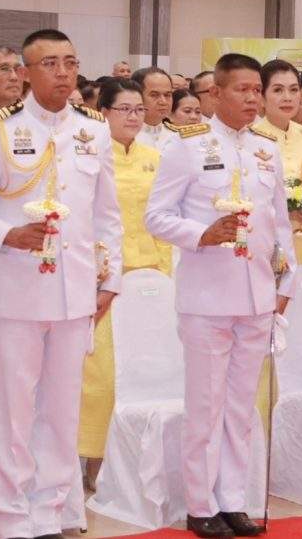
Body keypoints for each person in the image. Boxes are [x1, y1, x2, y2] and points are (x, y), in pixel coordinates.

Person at [0, 29, 123, 537]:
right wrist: (7, 235)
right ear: (25, 74)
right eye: (50, 63)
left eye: (70, 62)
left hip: (76, 293)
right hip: (18, 291)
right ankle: (10, 519)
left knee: (62, 410)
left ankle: (48, 514)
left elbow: (107, 214)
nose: (64, 73)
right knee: (13, 410)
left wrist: (110, 276)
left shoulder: (94, 129)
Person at [145, 52, 295, 539]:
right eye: (243, 90)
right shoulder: (186, 146)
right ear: (217, 94)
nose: (253, 98)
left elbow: (278, 222)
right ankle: (200, 502)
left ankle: (233, 498)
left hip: (255, 293)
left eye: (258, 90)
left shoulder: (267, 148)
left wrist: (285, 280)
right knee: (206, 404)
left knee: (240, 405)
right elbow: (157, 216)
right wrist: (201, 233)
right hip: (207, 295)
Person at [79, 78, 171, 490]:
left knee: (147, 370)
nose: (134, 116)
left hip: (149, 275)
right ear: (104, 113)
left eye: (139, 109)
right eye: (124, 109)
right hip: (104, 278)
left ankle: (138, 460)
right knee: (102, 374)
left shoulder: (156, 156)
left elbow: (164, 221)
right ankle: (95, 459)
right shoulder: (90, 157)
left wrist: (164, 274)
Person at [254, 59, 302, 270]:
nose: (287, 97)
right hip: (267, 246)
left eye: (294, 90)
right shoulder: (251, 139)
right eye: (278, 90)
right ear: (261, 97)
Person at [132, 66, 176, 151]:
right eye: (154, 95)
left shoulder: (176, 136)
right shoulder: (122, 137)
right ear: (137, 96)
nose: (163, 101)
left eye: (167, 95)